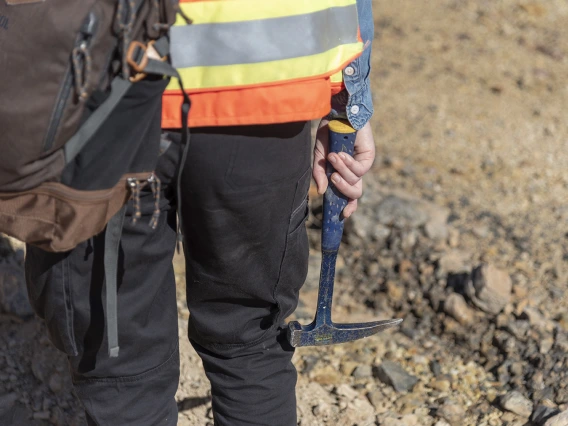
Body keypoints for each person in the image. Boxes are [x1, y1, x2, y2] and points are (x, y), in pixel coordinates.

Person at [24, 0, 376, 424]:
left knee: (116, 356)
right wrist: (350, 100)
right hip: (266, 85)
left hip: (94, 87)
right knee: (250, 343)